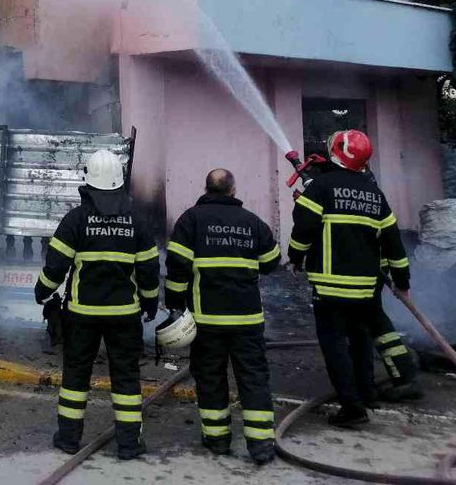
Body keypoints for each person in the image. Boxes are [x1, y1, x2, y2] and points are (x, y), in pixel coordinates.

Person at [34, 149, 160, 459]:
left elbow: (56, 267)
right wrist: (150, 302)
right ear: (119, 184)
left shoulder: (75, 220)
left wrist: (41, 291)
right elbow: (148, 269)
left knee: (76, 377)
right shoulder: (136, 222)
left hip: (82, 316)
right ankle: (129, 444)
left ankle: (68, 439)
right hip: (124, 316)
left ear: (87, 183)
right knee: (126, 379)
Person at [288, 130, 410, 428]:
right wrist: (402, 281)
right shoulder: (373, 193)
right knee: (360, 339)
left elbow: (303, 229)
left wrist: (295, 259)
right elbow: (394, 242)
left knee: (334, 346)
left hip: (329, 287)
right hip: (366, 287)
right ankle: (367, 393)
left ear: (338, 152)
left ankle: (352, 409)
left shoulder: (321, 186)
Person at [165, 168, 281, 464]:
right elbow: (271, 262)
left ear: (205, 189)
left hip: (208, 321)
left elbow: (177, 268)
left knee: (211, 377)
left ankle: (217, 439)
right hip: (247, 320)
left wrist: (175, 305)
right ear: (233, 191)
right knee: (253, 377)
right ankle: (261, 444)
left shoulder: (191, 220)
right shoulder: (252, 222)